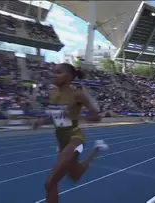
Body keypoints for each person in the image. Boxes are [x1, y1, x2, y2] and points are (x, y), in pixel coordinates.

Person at [33, 63, 108, 203]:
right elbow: (55, 116)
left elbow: (97, 117)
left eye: (59, 72)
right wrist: (42, 122)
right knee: (75, 175)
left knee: (50, 183)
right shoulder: (53, 94)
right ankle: (96, 150)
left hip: (76, 139)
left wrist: (77, 117)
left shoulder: (78, 95)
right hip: (62, 141)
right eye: (54, 72)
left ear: (69, 77)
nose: (54, 75)